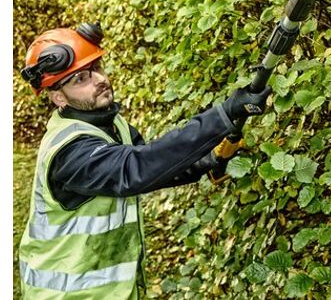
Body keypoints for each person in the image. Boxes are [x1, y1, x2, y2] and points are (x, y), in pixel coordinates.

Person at [16, 21, 269, 299]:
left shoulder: (111, 125)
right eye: (80, 79)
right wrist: (223, 115)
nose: (99, 80)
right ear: (58, 98)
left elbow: (154, 167)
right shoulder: (69, 151)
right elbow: (135, 169)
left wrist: (205, 161)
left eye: (97, 67)